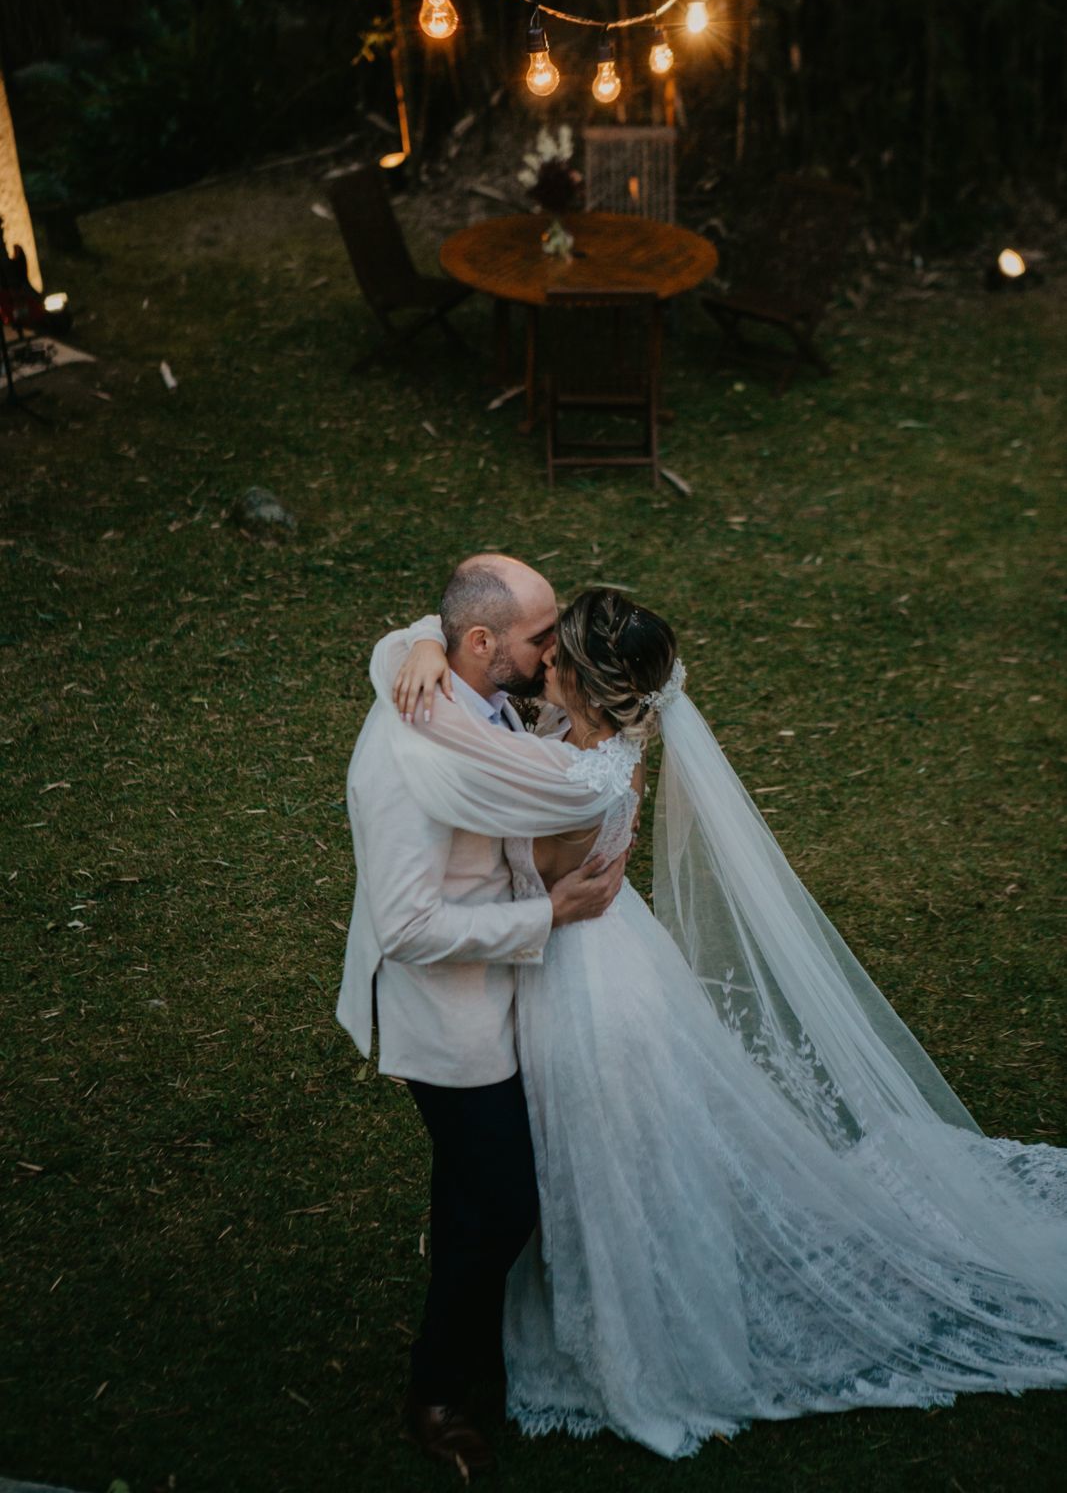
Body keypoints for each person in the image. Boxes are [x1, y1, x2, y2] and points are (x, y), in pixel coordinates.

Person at [376, 586, 1067, 1461]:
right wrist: (420, 647)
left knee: (595, 1155)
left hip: (578, 982)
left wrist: (405, 673)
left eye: (554, 655)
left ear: (583, 686)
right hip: (621, 952)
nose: (537, 659)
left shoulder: (560, 781)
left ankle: (625, 1327)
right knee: (622, 1146)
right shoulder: (604, 748)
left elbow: (456, 753)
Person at [336, 554, 628, 1477]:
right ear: (479, 643)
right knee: (503, 1202)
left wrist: (416, 638)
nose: (553, 659)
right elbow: (410, 925)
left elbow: (427, 634)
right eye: (542, 640)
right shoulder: (402, 759)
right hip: (451, 1018)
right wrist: (551, 913)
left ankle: (478, 1344)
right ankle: (433, 1392)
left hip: (519, 993)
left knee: (471, 1192)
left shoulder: (463, 689)